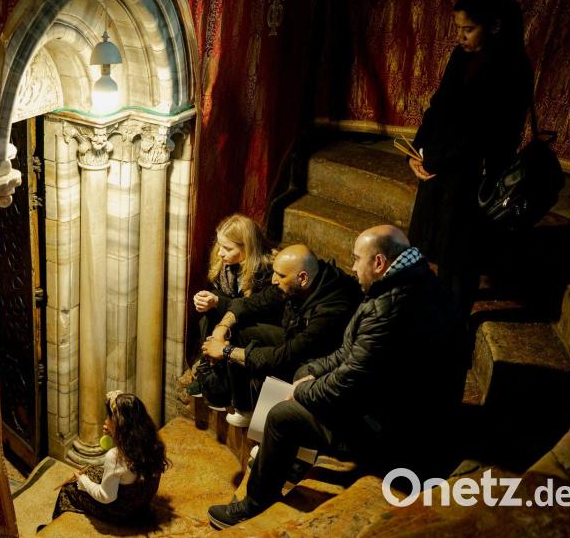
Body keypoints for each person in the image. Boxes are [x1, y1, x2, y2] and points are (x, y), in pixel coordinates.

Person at [207, 225, 464, 529]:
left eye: (357, 259)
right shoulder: (409, 284)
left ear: (379, 263)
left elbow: (349, 380)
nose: (352, 267)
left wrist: (302, 392)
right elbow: (350, 351)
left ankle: (253, 504)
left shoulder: (389, 308)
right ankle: (279, 457)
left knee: (283, 414)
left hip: (392, 426)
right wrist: (313, 373)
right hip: (391, 399)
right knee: (305, 370)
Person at [407, 0, 533, 322]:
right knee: (437, 247)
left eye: (468, 29)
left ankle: (454, 326)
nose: (461, 37)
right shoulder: (460, 56)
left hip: (474, 173)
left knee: (461, 257)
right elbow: (438, 105)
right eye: (458, 29)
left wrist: (437, 159)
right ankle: (436, 311)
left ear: (492, 26)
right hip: (444, 167)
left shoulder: (511, 66)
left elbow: (486, 131)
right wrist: (418, 150)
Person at [199, 244, 362, 427]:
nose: (274, 280)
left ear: (302, 278)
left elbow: (287, 355)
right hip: (293, 338)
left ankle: (266, 428)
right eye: (275, 273)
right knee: (239, 329)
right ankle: (244, 407)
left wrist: (226, 351)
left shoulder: (331, 309)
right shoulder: (296, 282)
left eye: (281, 276)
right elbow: (249, 303)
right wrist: (221, 329)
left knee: (273, 362)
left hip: (317, 363)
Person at [189, 214, 273, 414]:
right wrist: (207, 299)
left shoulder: (265, 272)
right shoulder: (226, 266)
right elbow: (225, 295)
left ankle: (227, 389)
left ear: (247, 248)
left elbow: (251, 308)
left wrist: (218, 302)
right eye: (220, 246)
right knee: (207, 316)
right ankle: (207, 373)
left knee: (235, 329)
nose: (220, 254)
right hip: (235, 313)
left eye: (227, 248)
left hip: (259, 323)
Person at [52, 391, 170, 524]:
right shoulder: (151, 442)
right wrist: (114, 434)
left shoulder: (114, 457)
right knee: (93, 470)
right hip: (141, 504)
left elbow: (106, 496)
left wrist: (82, 481)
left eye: (109, 417)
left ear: (118, 424)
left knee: (68, 489)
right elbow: (125, 468)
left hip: (122, 512)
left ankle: (54, 526)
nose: (105, 421)